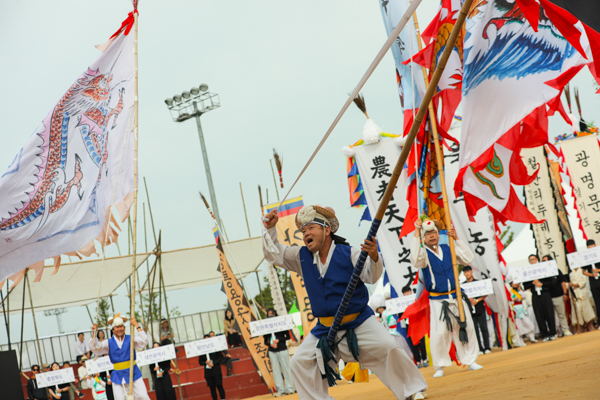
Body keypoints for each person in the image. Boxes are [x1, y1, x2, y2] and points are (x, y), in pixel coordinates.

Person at [262, 205, 427, 400]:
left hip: (359, 322)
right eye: (303, 230)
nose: (305, 233)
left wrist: (374, 255)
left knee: (388, 346)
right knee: (300, 361)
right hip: (324, 327)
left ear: (326, 230)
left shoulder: (349, 253)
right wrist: (271, 229)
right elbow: (274, 254)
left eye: (310, 228)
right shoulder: (301, 256)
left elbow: (371, 276)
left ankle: (411, 390)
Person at [410, 218, 483, 378]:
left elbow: (468, 258)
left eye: (433, 232)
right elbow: (415, 260)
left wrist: (456, 238)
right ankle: (440, 366)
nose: (431, 236)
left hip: (457, 296)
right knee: (440, 332)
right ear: (424, 237)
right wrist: (416, 231)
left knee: (466, 327)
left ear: (438, 233)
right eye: (427, 233)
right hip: (438, 300)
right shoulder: (423, 254)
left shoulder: (448, 247)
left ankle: (470, 360)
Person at [89, 313, 151, 400]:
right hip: (117, 375)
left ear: (124, 328)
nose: (119, 329)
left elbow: (144, 341)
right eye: (117, 327)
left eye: (121, 326)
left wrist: (136, 325)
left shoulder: (131, 338)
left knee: (143, 396)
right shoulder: (108, 342)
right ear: (113, 330)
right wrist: (94, 333)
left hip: (134, 372)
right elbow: (95, 348)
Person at [523, 255, 557, 342]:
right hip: (535, 296)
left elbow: (551, 282)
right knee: (539, 315)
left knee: (549, 313)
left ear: (537, 260)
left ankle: (553, 333)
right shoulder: (528, 271)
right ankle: (545, 335)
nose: (532, 261)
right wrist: (532, 283)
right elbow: (525, 285)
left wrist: (542, 284)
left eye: (533, 259)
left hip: (545, 293)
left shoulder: (544, 268)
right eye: (530, 260)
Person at [263, 308, 295, 396]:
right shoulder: (266, 326)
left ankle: (290, 388)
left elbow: (287, 336)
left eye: (272, 313)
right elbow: (265, 341)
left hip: (282, 349)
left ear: (275, 314)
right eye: (269, 314)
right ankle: (281, 390)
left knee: (286, 369)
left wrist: (279, 340)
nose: (270, 315)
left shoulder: (281, 324)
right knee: (276, 371)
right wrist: (270, 344)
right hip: (272, 351)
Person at [463, 266, 491, 354]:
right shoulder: (462, 285)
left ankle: (487, 347)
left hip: (479, 307)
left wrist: (477, 300)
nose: (467, 273)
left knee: (484, 328)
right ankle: (479, 348)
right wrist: (469, 300)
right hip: (470, 310)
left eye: (468, 271)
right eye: (465, 272)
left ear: (471, 272)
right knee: (474, 330)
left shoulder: (478, 283)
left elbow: (486, 293)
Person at [542, 255, 572, 337]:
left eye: (545, 261)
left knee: (561, 314)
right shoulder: (542, 273)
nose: (544, 262)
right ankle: (555, 332)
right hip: (548, 297)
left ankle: (566, 330)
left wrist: (565, 293)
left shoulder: (557, 271)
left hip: (558, 295)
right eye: (542, 261)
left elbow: (563, 282)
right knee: (551, 316)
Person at [401, 286, 428, 368]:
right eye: (405, 293)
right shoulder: (402, 303)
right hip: (409, 325)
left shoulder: (415, 299)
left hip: (418, 323)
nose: (407, 294)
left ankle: (424, 359)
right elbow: (400, 314)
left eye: (408, 291)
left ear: (410, 291)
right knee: (413, 344)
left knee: (422, 343)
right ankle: (418, 361)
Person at [199, 334, 226, 400]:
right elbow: (200, 362)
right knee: (212, 388)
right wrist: (205, 362)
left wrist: (213, 363)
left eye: (208, 339)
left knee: (219, 386)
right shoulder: (202, 351)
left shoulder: (216, 347)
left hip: (216, 370)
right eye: (205, 340)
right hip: (208, 372)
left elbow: (221, 357)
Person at [569, 266, 597, 331]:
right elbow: (570, 284)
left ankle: (590, 326)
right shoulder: (571, 273)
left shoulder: (582, 271)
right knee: (578, 310)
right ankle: (581, 328)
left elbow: (583, 283)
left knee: (587, 310)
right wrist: (570, 285)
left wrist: (573, 285)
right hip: (575, 294)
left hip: (583, 293)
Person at [581, 239, 600, 321]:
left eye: (592, 246)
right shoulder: (586, 257)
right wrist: (592, 274)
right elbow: (584, 272)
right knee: (598, 303)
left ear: (595, 245)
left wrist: (598, 270)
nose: (591, 248)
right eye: (589, 247)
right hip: (594, 283)